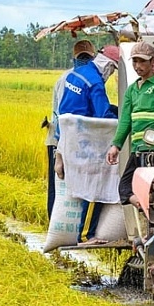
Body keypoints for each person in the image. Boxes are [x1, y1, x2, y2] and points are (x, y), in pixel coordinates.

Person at [56, 41, 121, 246]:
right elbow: (102, 114)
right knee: (94, 185)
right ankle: (86, 235)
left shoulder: (78, 73)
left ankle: (81, 233)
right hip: (85, 142)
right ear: (109, 66)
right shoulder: (95, 82)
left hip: (68, 138)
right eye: (112, 70)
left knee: (82, 185)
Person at [106, 41, 154, 210]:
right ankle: (145, 208)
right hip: (138, 149)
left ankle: (153, 224)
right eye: (135, 61)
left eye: (142, 61)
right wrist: (116, 146)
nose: (138, 66)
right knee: (125, 188)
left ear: (152, 62)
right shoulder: (132, 90)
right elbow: (125, 121)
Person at [43, 40, 95, 220]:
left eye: (87, 58)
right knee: (59, 185)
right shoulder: (70, 79)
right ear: (74, 58)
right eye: (83, 58)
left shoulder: (82, 77)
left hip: (75, 140)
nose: (85, 61)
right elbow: (63, 114)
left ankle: (69, 228)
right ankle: (55, 226)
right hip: (60, 139)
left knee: (72, 185)